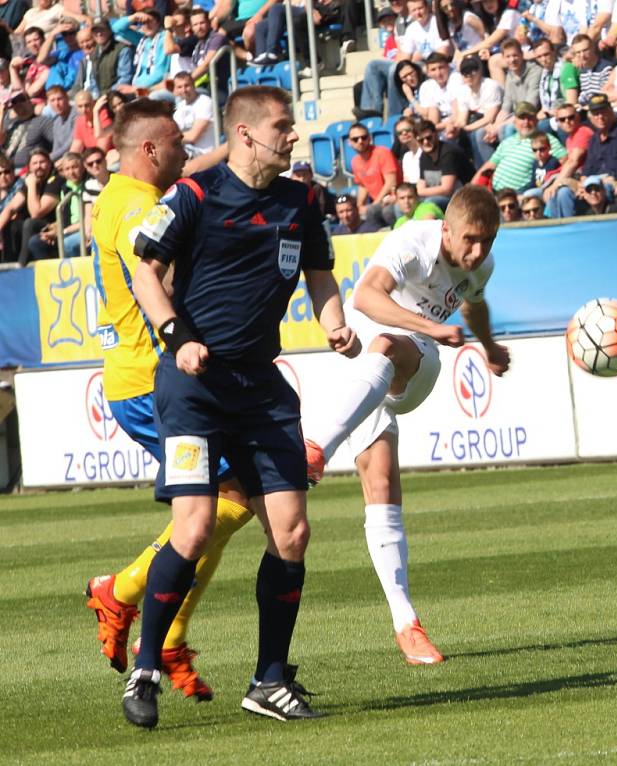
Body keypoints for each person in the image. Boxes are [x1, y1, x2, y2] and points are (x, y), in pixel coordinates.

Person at [121, 86, 358, 729]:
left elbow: (318, 274)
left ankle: (270, 679)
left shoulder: (303, 201)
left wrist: (334, 322)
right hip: (194, 387)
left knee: (293, 533)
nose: (292, 137)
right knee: (195, 529)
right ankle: (144, 668)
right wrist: (176, 334)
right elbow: (144, 271)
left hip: (261, 390)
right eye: (282, 127)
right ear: (246, 134)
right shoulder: (195, 196)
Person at [304, 184, 510, 665]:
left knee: (387, 347)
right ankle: (407, 626)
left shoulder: (481, 264)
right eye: (470, 240)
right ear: (446, 229)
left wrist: (490, 345)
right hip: (370, 376)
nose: (477, 252)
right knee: (381, 488)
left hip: (417, 365)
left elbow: (474, 302)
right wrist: (434, 326)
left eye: (488, 242)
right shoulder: (411, 244)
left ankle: (314, 447)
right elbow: (365, 296)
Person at [85, 103, 239, 706]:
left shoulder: (120, 193)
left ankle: (168, 630)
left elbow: (183, 177)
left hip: (147, 378)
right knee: (226, 502)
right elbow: (161, 278)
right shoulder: (137, 211)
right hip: (154, 382)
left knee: (220, 508)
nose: (185, 149)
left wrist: (231, 153)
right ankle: (123, 594)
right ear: (151, 150)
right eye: (178, 142)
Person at [472, 101, 544, 193]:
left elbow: (565, 161)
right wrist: (469, 190)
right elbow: (489, 166)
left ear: (537, 120)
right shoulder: (507, 142)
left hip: (518, 196)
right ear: (515, 122)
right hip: (494, 192)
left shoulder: (545, 140)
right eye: (522, 118)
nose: (526, 122)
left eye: (530, 118)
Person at [484, 38, 543, 143]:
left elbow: (529, 106)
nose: (512, 60)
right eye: (508, 56)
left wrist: (500, 126)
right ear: (503, 58)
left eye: (515, 55)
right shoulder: (510, 75)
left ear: (522, 54)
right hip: (515, 117)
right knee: (480, 134)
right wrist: (495, 126)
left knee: (506, 129)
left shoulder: (534, 71)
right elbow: (506, 106)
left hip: (531, 116)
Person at [349, 122, 402, 228]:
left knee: (374, 212)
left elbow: (391, 182)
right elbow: (363, 186)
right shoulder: (355, 162)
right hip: (379, 203)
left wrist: (374, 204)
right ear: (350, 143)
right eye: (356, 139)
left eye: (364, 137)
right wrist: (359, 206)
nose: (360, 141)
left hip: (394, 199)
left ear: (369, 138)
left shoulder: (382, 153)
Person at [416, 119, 475, 209]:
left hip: (464, 198)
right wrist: (420, 191)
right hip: (442, 197)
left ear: (436, 135)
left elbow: (447, 189)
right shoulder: (423, 157)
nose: (425, 142)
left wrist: (421, 191)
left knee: (429, 203)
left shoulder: (448, 152)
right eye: (421, 140)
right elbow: (421, 186)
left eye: (428, 138)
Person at [173, 71, 215, 157]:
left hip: (203, 155)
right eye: (179, 87)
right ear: (176, 89)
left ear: (194, 85)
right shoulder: (180, 106)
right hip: (185, 151)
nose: (184, 90)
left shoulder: (205, 102)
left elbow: (193, 136)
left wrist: (169, 139)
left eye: (187, 86)